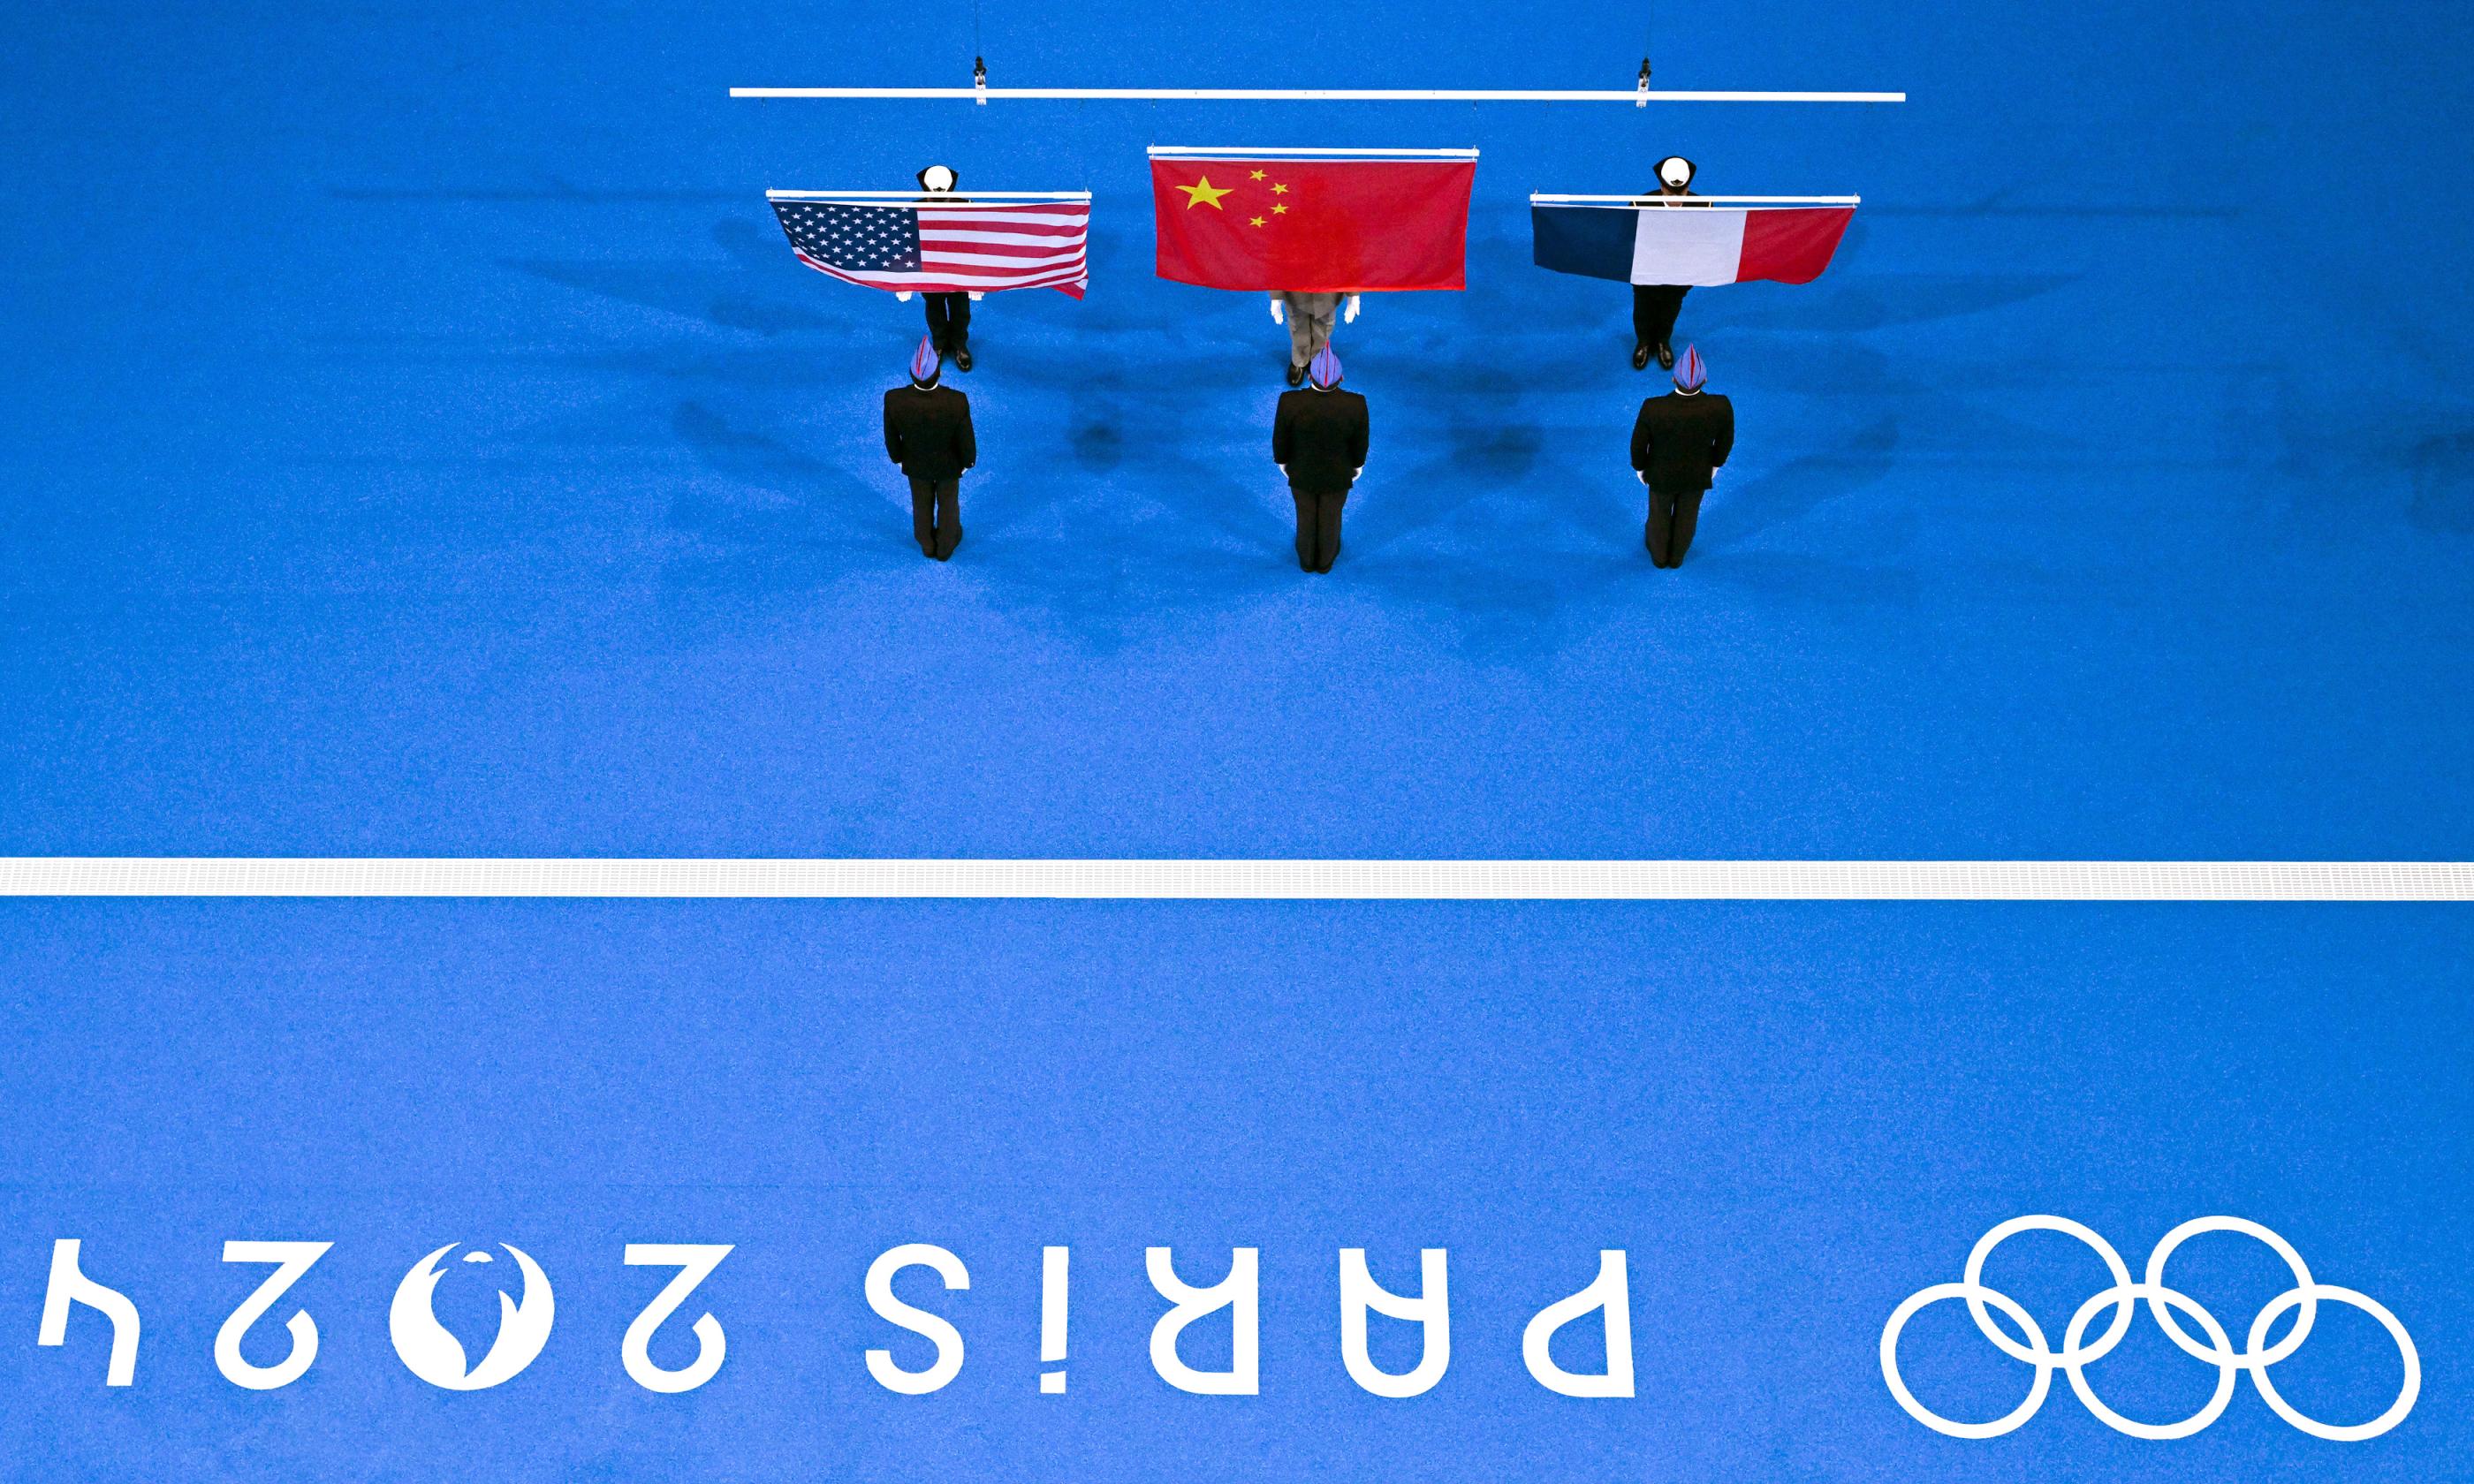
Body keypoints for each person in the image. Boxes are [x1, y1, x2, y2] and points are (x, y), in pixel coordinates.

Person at [1629, 344, 1732, 568]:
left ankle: (1659, 557)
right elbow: (1725, 441)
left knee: (1659, 515)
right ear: (1704, 381)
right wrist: (1714, 466)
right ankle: (1677, 558)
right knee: (1688, 516)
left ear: (1674, 379)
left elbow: (1638, 444)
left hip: (1661, 475)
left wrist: (1640, 468)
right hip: (1697, 474)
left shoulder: (1653, 407)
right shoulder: (1721, 406)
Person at [1272, 346, 1368, 572]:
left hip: (1301, 473)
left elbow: (1280, 438)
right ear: (1341, 378)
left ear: (1309, 377)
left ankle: (1306, 560)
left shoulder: (1289, 401)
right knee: (1331, 516)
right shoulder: (1356, 404)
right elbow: (1360, 442)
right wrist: (1357, 466)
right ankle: (1326, 561)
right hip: (1338, 475)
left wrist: (1283, 463)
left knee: (1305, 514)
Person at [883, 337, 975, 559]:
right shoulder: (957, 401)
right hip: (949, 465)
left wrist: (898, 459)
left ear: (912, 374)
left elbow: (891, 436)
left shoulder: (894, 399)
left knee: (921, 504)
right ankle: (945, 547)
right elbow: (966, 439)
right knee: (948, 505)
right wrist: (967, 463)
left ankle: (926, 543)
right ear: (939, 373)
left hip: (915, 464)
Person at [898, 164, 978, 372]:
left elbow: (975, 242)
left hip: (959, 270)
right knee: (934, 308)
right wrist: (904, 281)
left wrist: (977, 280)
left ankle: (959, 344)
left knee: (961, 310)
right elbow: (909, 245)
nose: (939, 193)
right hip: (930, 270)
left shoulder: (968, 206)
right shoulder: (914, 209)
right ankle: (940, 342)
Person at [1631, 155, 1704, 372]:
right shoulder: (1639, 204)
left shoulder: (1705, 206)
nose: (1675, 198)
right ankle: (1644, 342)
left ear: (1688, 187)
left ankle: (1663, 341)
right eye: (1670, 193)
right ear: (1661, 187)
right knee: (1643, 308)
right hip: (1647, 272)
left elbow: (1706, 240)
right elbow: (1629, 239)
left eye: (1680, 193)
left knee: (1671, 309)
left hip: (1680, 273)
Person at [1271, 292, 1360, 386]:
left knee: (1323, 329)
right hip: (1295, 291)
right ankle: (1300, 359)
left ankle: (1317, 357)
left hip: (1327, 292)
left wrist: (1353, 295)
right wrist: (1276, 297)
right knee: (1298, 327)